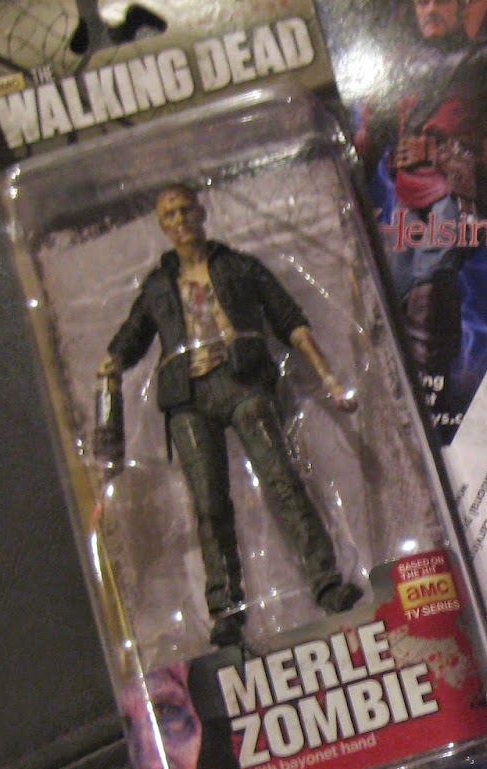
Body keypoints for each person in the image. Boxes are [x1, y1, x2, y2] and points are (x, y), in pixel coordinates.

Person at [95, 183, 362, 647]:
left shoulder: (239, 267)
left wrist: (328, 377)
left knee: (282, 480)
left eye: (185, 211)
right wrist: (113, 361)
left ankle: (326, 582)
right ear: (162, 225)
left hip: (242, 380)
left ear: (201, 212)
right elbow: (132, 334)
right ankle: (224, 610)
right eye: (169, 216)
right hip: (187, 396)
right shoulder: (158, 286)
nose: (179, 221)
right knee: (208, 504)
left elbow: (290, 319)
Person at [354, 0, 487, 417]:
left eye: (442, 0)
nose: (431, 8)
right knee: (397, 279)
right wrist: (352, 162)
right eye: (423, 1)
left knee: (433, 271)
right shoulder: (402, 66)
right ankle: (396, 381)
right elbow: (374, 127)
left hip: (459, 183)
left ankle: (429, 381)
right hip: (409, 186)